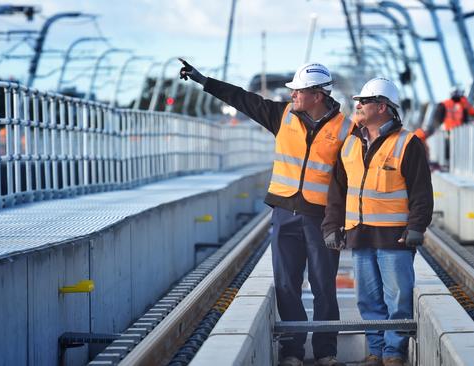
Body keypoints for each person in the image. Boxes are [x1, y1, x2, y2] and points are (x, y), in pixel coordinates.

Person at [180, 60, 353, 366]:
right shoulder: (281, 115)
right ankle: (293, 351)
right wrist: (204, 81)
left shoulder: (345, 130)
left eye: (298, 91)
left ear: (317, 94)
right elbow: (242, 100)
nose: (293, 96)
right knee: (286, 284)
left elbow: (350, 180)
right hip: (285, 214)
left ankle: (326, 351)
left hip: (321, 218)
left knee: (324, 284)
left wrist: (344, 223)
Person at [322, 77, 433, 366]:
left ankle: (393, 353)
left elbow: (421, 191)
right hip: (359, 235)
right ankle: (376, 350)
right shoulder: (349, 145)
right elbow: (337, 191)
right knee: (368, 301)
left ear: (382, 107)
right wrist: (332, 227)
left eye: (364, 101)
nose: (357, 105)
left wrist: (416, 227)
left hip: (394, 237)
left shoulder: (407, 143)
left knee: (398, 300)